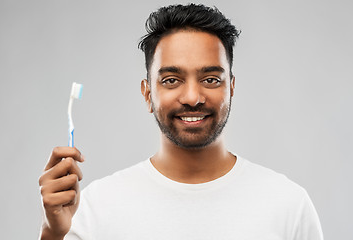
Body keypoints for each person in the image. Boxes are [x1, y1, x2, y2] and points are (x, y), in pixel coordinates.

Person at [38, 3, 324, 240]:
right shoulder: (94, 209)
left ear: (231, 87)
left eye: (210, 79)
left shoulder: (289, 206)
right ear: (147, 92)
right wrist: (52, 233)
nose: (191, 97)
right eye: (171, 80)